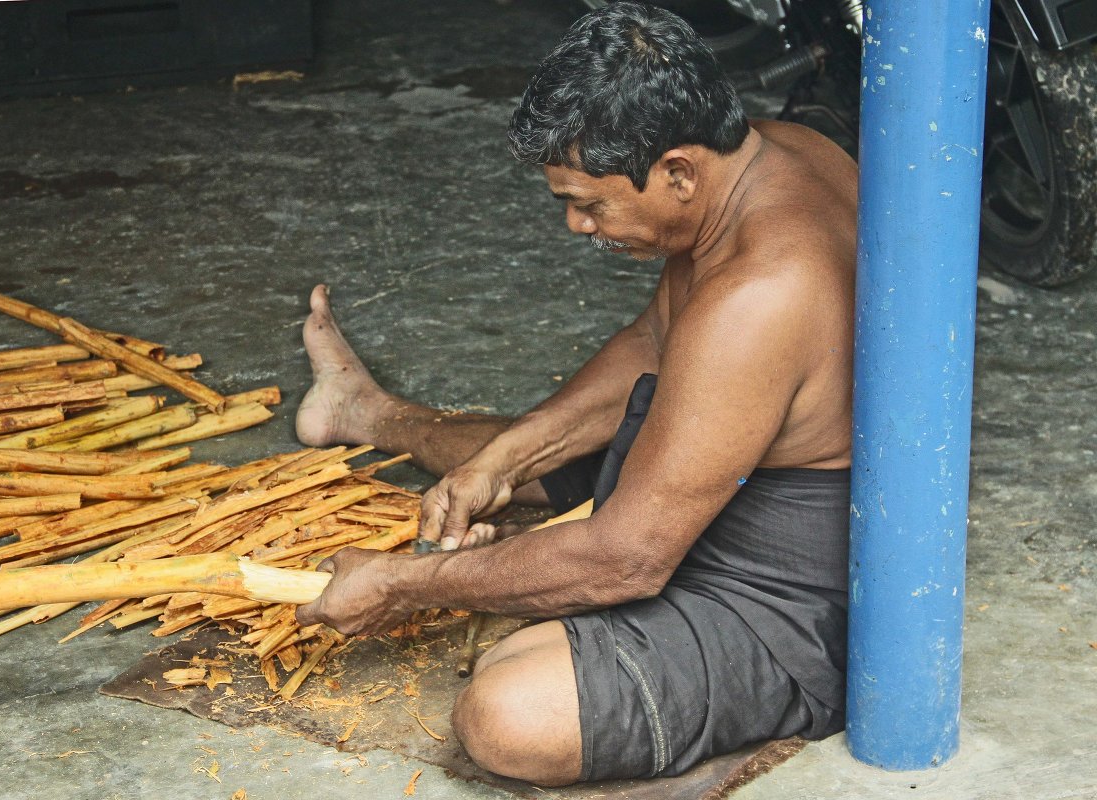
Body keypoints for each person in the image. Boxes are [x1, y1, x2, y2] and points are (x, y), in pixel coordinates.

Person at [293, 0, 857, 787]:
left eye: (589, 203)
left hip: (781, 595)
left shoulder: (759, 296)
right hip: (716, 469)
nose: (575, 225)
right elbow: (654, 344)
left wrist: (402, 585)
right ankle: (365, 412)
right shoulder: (776, 154)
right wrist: (502, 460)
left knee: (506, 715)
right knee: (501, 476)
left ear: (679, 172)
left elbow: (628, 558)